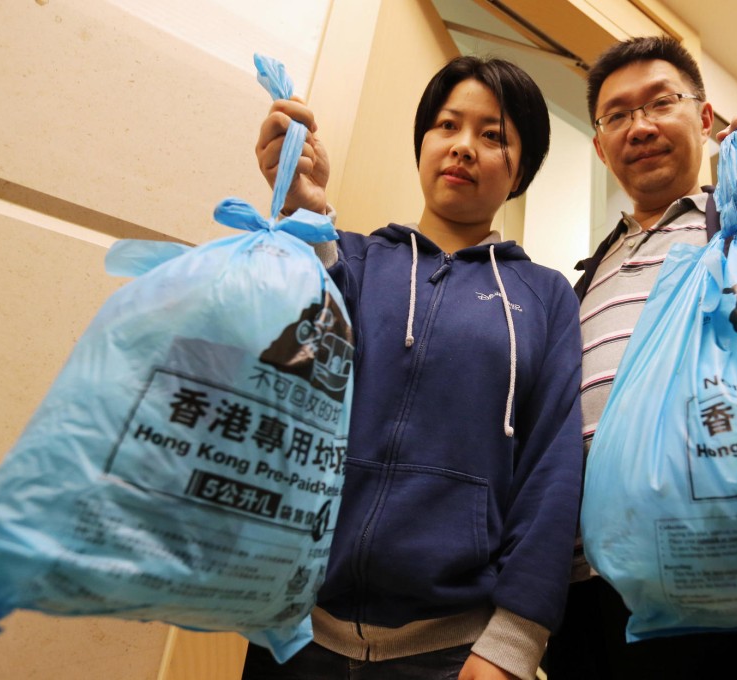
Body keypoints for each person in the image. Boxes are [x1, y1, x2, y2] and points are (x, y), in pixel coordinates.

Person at [241, 56, 584, 680]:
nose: (463, 146)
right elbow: (289, 364)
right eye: (447, 125)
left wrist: (516, 639)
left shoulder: (545, 296)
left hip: (451, 652)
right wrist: (303, 210)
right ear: (422, 142)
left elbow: (552, 470)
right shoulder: (352, 259)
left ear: (520, 169)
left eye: (493, 135)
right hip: (292, 631)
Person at [543, 36, 737, 679]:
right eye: (616, 115)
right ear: (600, 146)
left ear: (705, 118)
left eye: (661, 102)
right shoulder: (580, 281)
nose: (640, 127)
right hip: (601, 597)